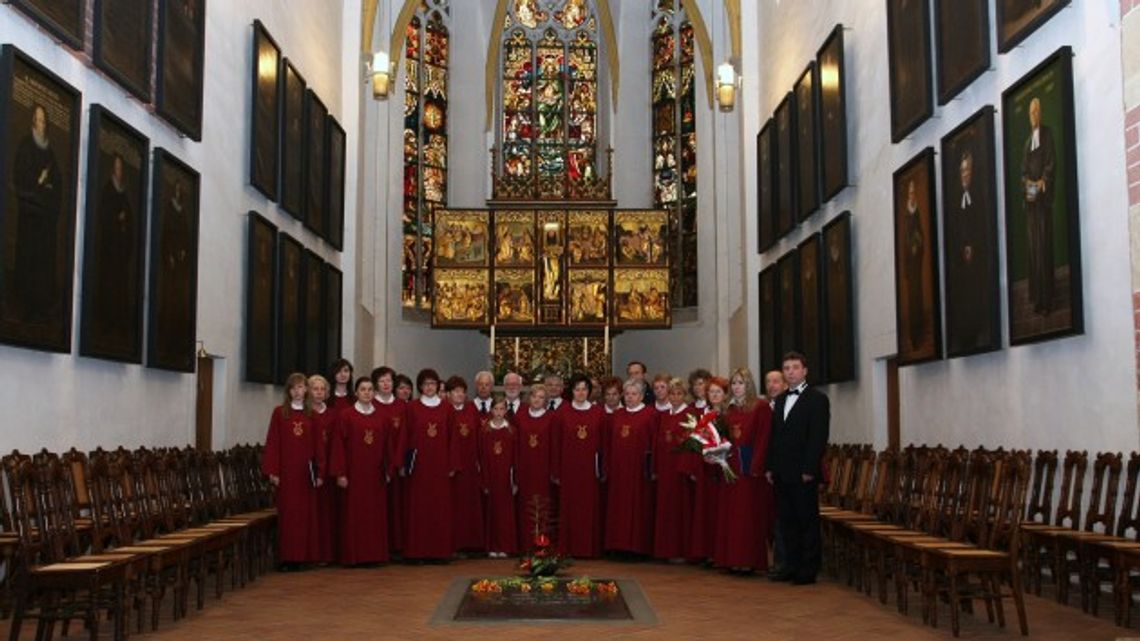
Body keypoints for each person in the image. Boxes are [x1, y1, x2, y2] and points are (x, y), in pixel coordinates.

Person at [765, 352, 830, 585]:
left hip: (803, 471)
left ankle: (808, 568)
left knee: (806, 520)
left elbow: (818, 437)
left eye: (795, 367)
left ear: (804, 371)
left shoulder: (817, 399)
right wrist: (770, 466)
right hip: (782, 470)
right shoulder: (780, 400)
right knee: (787, 520)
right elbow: (774, 437)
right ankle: (790, 565)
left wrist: (809, 468)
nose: (790, 371)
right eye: (786, 368)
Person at [715, 368, 774, 574]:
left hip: (749, 469)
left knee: (746, 516)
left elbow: (764, 438)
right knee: (730, 514)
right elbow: (720, 438)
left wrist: (757, 466)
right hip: (729, 466)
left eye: (741, 383)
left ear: (749, 385)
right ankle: (730, 558)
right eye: (734, 383)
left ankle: (748, 560)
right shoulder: (727, 409)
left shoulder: (761, 407)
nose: (736, 387)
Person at [329, 376, 393, 565]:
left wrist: (388, 470)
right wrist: (340, 473)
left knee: (374, 517)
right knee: (354, 516)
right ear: (356, 392)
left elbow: (388, 446)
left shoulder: (382, 417)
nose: (367, 393)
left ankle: (374, 556)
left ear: (374, 393)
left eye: (370, 389)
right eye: (363, 389)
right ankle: (353, 556)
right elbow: (338, 446)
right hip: (354, 476)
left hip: (375, 476)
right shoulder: (346, 416)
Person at [261, 373, 321, 567]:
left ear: (306, 390)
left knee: (306, 516)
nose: (298, 391)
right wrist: (273, 471)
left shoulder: (312, 415)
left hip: (306, 474)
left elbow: (319, 446)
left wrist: (319, 472)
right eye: (294, 388)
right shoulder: (279, 413)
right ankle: (288, 558)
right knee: (288, 517)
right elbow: (273, 442)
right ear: (288, 391)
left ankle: (306, 557)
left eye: (301, 387)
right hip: (286, 475)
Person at [12, 103, 62, 323]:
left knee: (44, 265)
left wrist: (48, 187)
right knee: (29, 262)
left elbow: (57, 185)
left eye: (44, 120)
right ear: (33, 121)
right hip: (31, 219)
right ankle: (28, 307)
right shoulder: (25, 146)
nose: (41, 124)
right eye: (38, 120)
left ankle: (41, 306)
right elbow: (19, 180)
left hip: (45, 222)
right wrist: (38, 182)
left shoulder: (50, 152)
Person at [402, 368, 456, 560]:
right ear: (420, 387)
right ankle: (418, 552)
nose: (429, 387)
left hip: (440, 465)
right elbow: (405, 437)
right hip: (419, 466)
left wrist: (451, 464)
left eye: (433, 383)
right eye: (425, 384)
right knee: (419, 508)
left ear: (438, 385)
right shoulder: (412, 408)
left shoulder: (447, 408)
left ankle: (440, 552)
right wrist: (404, 463)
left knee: (439, 508)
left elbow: (453, 438)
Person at [604, 379, 657, 556]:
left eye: (634, 394)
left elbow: (653, 444)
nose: (630, 397)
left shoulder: (650, 415)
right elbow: (608, 444)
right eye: (627, 394)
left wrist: (651, 469)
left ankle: (636, 548)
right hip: (619, 471)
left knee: (637, 508)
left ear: (642, 396)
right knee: (618, 508)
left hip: (638, 471)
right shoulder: (617, 415)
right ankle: (617, 546)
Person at [948, 150, 994, 352]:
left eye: (968, 171)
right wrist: (962, 247)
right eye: (962, 171)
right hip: (960, 264)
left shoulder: (978, 197)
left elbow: (981, 227)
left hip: (977, 262)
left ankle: (978, 331)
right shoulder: (956, 200)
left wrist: (972, 246)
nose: (965, 175)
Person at [556, 374, 606, 558]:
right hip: (569, 468)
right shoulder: (562, 413)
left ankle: (588, 548)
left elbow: (603, 444)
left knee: (588, 508)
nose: (580, 393)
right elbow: (557, 442)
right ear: (571, 391)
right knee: (569, 508)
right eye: (577, 389)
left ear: (589, 391)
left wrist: (601, 469)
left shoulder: (598, 413)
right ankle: (568, 548)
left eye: (584, 389)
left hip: (589, 469)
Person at [91, 153, 136, 344]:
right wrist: (116, 220)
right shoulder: (108, 190)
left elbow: (131, 221)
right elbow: (104, 216)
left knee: (120, 289)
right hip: (110, 251)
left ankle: (119, 322)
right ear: (112, 170)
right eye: (116, 168)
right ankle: (108, 322)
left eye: (121, 168)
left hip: (121, 253)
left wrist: (126, 225)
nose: (119, 172)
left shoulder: (124, 194)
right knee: (109, 287)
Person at [653, 377, 696, 562]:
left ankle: (681, 550)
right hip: (665, 469)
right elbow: (657, 443)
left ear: (685, 395)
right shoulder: (664, 416)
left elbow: (693, 444)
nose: (675, 397)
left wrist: (687, 467)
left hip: (680, 470)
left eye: (679, 393)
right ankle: (665, 549)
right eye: (672, 393)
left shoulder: (690, 415)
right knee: (665, 510)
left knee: (680, 510)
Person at [1021, 96, 1056, 316]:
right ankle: (1037, 298)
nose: (1034, 115)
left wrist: (1043, 181)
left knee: (1044, 247)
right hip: (1032, 204)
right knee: (1034, 250)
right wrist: (1029, 186)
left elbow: (1051, 163)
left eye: (1037, 111)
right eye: (1031, 112)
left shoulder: (1048, 134)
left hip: (1043, 202)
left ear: (1040, 113)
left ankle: (1047, 298)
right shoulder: (1026, 144)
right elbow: (1023, 174)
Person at [371, 367, 408, 556]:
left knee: (397, 505)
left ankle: (397, 546)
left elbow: (405, 437)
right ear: (376, 384)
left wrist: (398, 461)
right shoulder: (370, 405)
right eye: (382, 381)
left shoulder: (402, 406)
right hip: (376, 465)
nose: (386, 384)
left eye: (389, 381)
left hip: (397, 464)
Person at [446, 375, 485, 554]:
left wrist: (479, 461)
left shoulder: (471, 409)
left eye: (462, 391)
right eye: (455, 391)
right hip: (451, 467)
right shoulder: (444, 410)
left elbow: (479, 435)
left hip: (470, 465)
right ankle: (453, 544)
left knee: (469, 505)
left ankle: (470, 544)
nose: (459, 394)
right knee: (452, 506)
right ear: (448, 394)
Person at [515, 384, 557, 545]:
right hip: (525, 469)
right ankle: (525, 542)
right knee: (525, 505)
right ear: (529, 398)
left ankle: (543, 544)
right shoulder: (520, 417)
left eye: (541, 397)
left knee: (544, 505)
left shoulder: (551, 418)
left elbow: (554, 445)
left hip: (543, 470)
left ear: (545, 400)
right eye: (534, 396)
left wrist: (553, 470)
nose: (537, 400)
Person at [479, 395, 517, 557]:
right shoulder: (485, 431)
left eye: (502, 409)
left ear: (506, 411)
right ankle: (492, 547)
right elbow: (481, 456)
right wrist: (484, 480)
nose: (499, 412)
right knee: (492, 512)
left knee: (505, 513)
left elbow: (516, 457)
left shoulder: (512, 431)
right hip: (491, 476)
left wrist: (514, 479)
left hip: (505, 478)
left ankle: (505, 546)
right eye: (496, 409)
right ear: (491, 410)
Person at [307, 374, 338, 564]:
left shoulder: (334, 415)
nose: (319, 392)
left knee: (328, 513)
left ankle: (327, 553)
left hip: (330, 470)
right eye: (315, 389)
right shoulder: (303, 414)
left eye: (322, 389)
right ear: (308, 391)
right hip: (310, 471)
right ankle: (312, 553)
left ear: (327, 392)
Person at [762, 368, 789, 577]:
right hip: (768, 471)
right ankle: (776, 560)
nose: (772, 385)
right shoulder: (764, 407)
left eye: (776, 381)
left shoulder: (789, 405)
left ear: (785, 384)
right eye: (768, 382)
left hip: (785, 470)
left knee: (783, 517)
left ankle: (784, 561)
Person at [902, 179, 926, 351]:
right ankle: (914, 334)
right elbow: (906, 241)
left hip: (917, 263)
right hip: (910, 266)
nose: (912, 196)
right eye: (909, 193)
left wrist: (918, 244)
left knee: (919, 297)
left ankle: (920, 331)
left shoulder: (916, 212)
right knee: (912, 299)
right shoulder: (906, 214)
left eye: (913, 193)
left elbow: (920, 235)